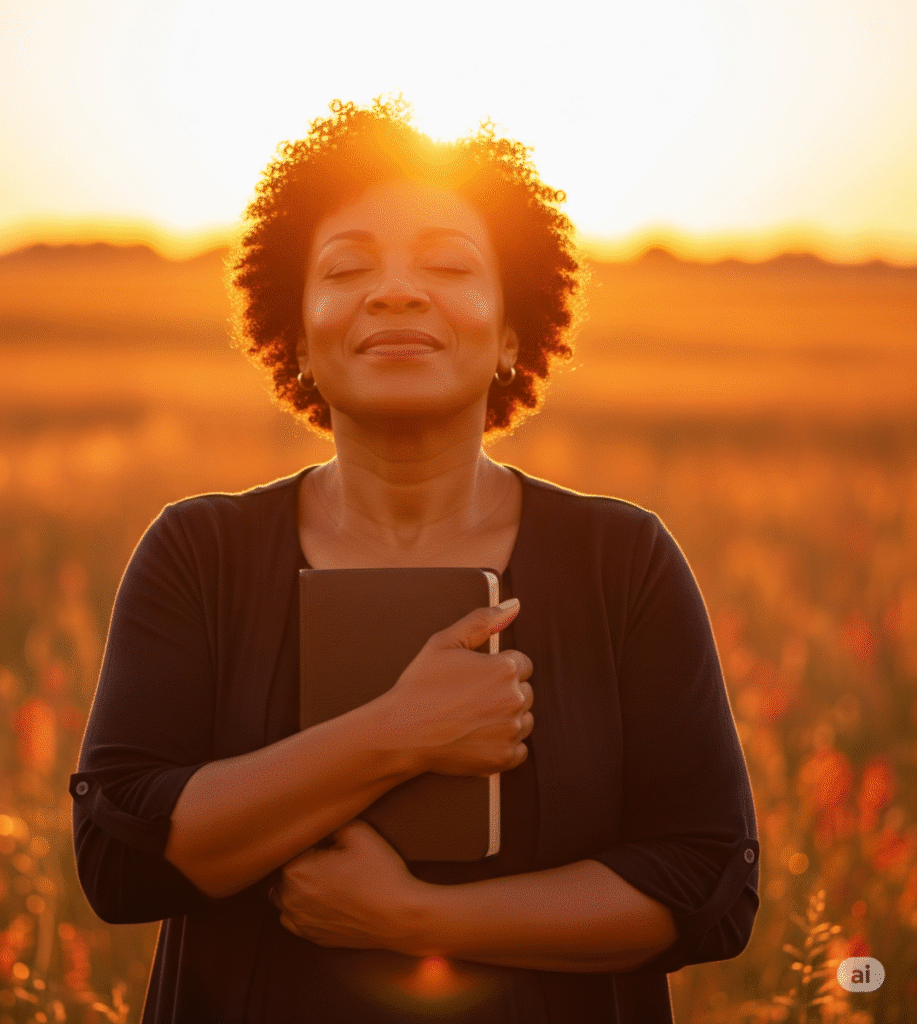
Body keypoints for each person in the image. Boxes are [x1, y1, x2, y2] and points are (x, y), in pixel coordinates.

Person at [70, 96, 759, 1023]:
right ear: (299, 337)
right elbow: (120, 858)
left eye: (448, 265)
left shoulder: (621, 560)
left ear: (514, 334)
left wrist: (416, 918)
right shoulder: (199, 554)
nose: (396, 292)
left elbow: (706, 882)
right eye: (348, 267)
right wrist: (399, 731)